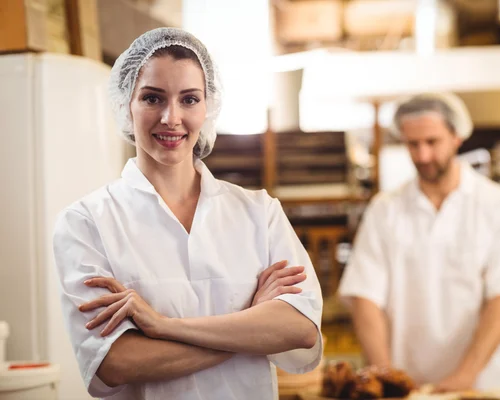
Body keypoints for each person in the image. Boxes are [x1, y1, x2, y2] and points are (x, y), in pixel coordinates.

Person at [52, 27, 323, 400]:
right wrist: (251, 327)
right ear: (125, 105)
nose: (171, 118)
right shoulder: (86, 223)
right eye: (152, 98)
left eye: (190, 99)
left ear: (208, 106)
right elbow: (117, 362)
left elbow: (300, 328)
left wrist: (162, 326)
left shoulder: (259, 212)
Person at [338, 93, 500, 391]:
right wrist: (387, 377)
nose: (422, 156)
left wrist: (465, 376)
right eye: (412, 145)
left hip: (482, 385)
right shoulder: (385, 209)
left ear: (457, 137)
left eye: (432, 142)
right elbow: (365, 298)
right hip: (408, 383)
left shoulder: (496, 204)